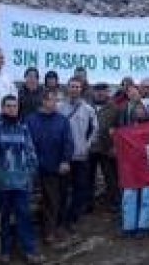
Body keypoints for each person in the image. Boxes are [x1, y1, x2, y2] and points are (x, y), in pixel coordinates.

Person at [0, 95, 43, 265]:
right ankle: (4, 252)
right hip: (2, 183)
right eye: (8, 106)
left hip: (21, 183)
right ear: (2, 108)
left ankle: (29, 251)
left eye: (14, 106)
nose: (11, 109)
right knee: (3, 217)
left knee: (24, 216)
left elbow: (31, 152)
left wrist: (30, 173)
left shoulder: (23, 128)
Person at [25, 90, 73, 245]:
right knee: (32, 201)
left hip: (55, 166)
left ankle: (50, 231)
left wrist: (65, 160)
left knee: (53, 200)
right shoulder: (31, 120)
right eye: (51, 100)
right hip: (34, 166)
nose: (54, 103)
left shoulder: (62, 120)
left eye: (56, 100)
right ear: (44, 101)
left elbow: (68, 142)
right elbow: (26, 141)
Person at [57, 76, 98, 222]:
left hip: (81, 156)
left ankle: (74, 218)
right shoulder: (59, 107)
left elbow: (94, 129)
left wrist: (87, 145)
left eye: (77, 87)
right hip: (64, 157)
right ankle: (61, 217)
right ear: (67, 88)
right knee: (62, 189)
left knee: (80, 188)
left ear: (81, 89)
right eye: (72, 86)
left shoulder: (88, 109)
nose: (74, 89)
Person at [120, 98, 149, 237]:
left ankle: (144, 225)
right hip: (132, 164)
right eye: (137, 108)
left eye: (142, 108)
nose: (139, 110)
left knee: (147, 194)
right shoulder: (130, 128)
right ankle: (128, 225)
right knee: (129, 193)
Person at [89, 83, 120, 212]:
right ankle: (88, 203)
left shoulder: (115, 108)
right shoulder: (87, 107)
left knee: (110, 177)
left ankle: (113, 202)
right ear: (93, 93)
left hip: (107, 148)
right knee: (88, 177)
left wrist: (115, 146)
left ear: (108, 92)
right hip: (89, 148)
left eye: (103, 91)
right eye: (97, 91)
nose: (100, 93)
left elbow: (119, 128)